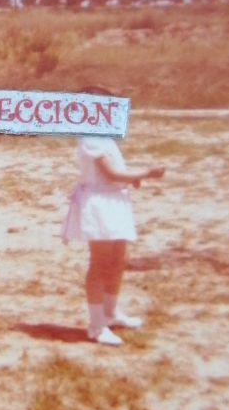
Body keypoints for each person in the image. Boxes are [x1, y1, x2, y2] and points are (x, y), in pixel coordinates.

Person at [62, 99, 164, 345]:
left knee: (118, 260)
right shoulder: (90, 138)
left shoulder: (104, 136)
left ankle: (111, 312)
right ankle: (96, 326)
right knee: (100, 263)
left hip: (115, 201)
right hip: (100, 205)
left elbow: (117, 173)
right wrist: (145, 173)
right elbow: (110, 174)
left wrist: (131, 179)